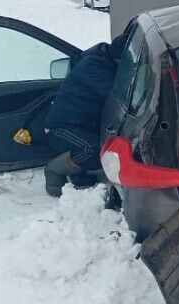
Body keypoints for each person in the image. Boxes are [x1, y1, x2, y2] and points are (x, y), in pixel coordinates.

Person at [42, 30, 128, 196]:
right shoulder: (94, 68)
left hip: (81, 124)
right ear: (119, 59)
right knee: (94, 150)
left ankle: (78, 172)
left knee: (101, 146)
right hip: (61, 129)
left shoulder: (103, 59)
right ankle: (53, 170)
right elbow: (118, 96)